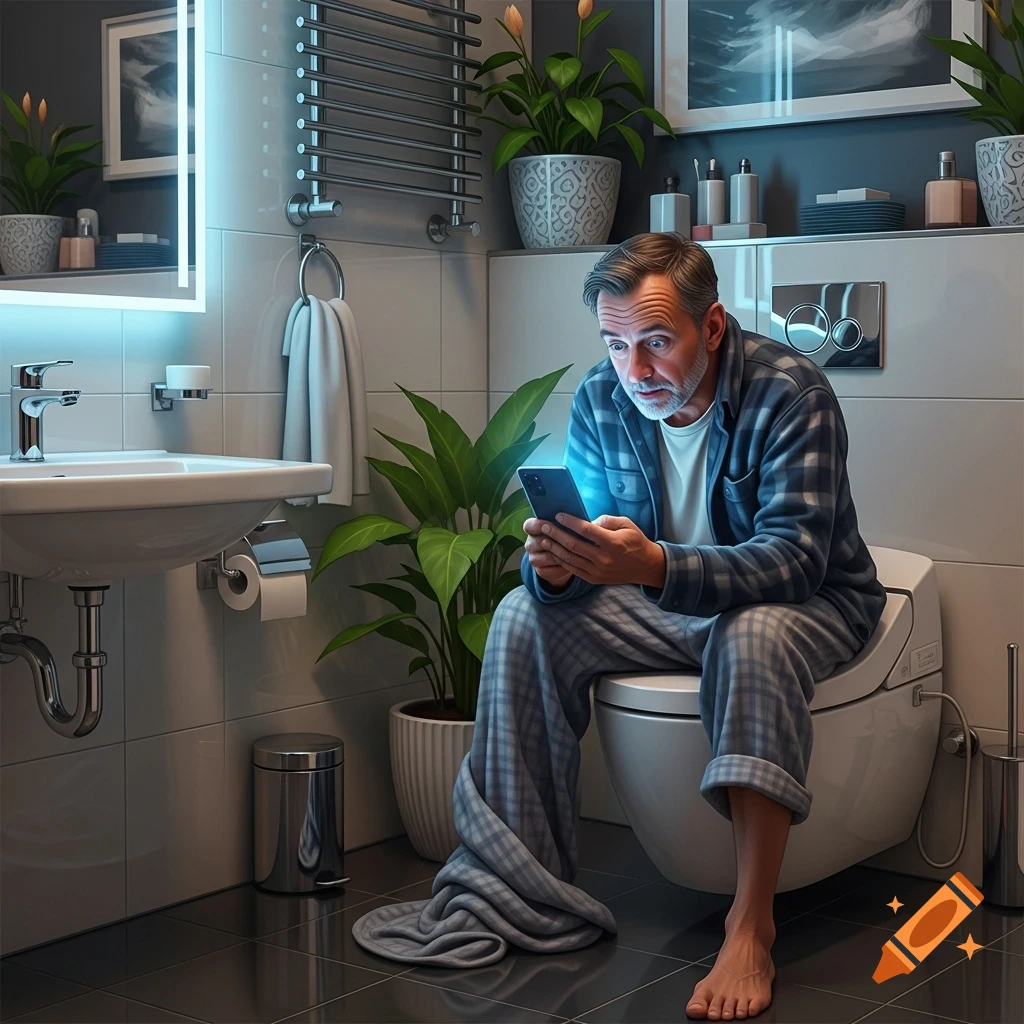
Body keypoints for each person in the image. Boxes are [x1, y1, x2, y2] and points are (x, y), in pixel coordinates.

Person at [353, 233, 886, 1023]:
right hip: (666, 600)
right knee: (521, 614)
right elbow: (595, 556)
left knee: (753, 637)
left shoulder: (792, 391)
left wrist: (652, 567)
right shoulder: (606, 397)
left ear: (711, 328)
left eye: (656, 343)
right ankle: (519, 887)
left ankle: (750, 926)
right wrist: (558, 569)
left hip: (810, 604)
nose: (633, 371)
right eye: (615, 343)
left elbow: (796, 561)